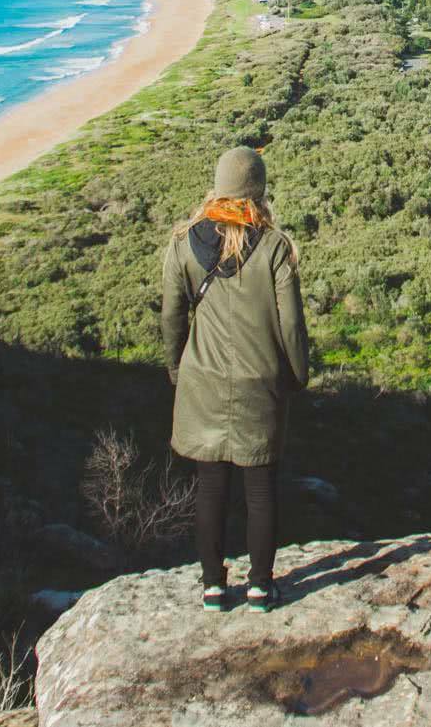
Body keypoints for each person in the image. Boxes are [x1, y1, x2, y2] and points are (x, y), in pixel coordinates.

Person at [161, 146, 309, 613]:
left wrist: (176, 371)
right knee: (261, 491)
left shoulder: (183, 243)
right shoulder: (275, 248)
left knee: (211, 486)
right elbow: (291, 325)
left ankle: (212, 585)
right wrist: (297, 375)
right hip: (259, 381)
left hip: (201, 382)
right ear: (258, 191)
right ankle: (261, 586)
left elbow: (171, 317)